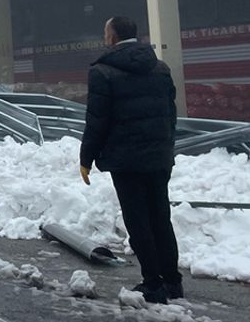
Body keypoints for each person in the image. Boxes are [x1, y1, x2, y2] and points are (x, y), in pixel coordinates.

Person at [79, 16, 181, 304]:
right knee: (161, 218)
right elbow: (171, 115)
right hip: (159, 158)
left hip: (126, 160)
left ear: (112, 37)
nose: (104, 37)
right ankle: (173, 282)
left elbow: (97, 121)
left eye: (104, 32)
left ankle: (152, 284)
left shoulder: (103, 72)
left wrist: (86, 158)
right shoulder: (160, 68)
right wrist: (166, 148)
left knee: (138, 222)